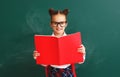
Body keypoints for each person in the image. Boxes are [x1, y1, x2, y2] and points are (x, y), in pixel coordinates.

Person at [33, 8, 86, 77]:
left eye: (62, 23)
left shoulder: (73, 40)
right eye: (55, 23)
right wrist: (38, 57)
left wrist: (83, 53)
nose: (58, 26)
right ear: (51, 24)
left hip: (68, 71)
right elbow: (45, 64)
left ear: (66, 24)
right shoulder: (45, 42)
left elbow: (80, 61)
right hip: (53, 72)